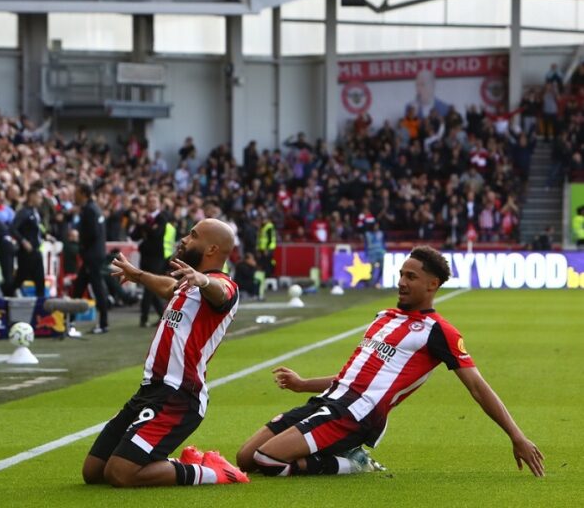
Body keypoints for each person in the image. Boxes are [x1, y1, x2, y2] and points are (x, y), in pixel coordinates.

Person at [235, 246, 544, 479]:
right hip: (327, 401)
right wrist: (304, 384)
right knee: (246, 458)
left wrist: (517, 436)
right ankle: (334, 452)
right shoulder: (384, 316)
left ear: (432, 284)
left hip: (355, 415)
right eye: (401, 275)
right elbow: (353, 376)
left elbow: (477, 387)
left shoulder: (439, 332)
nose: (402, 282)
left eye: (411, 277)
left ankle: (351, 463)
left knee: (268, 460)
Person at [81, 219, 247, 488]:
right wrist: (138, 275)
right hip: (149, 391)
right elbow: (166, 287)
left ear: (212, 249)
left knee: (120, 474)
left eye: (193, 235)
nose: (184, 239)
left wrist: (203, 279)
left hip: (180, 396)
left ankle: (210, 470)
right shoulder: (186, 283)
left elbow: (220, 293)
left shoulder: (223, 285)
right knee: (94, 471)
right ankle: (164, 461)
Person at [72, 183, 112, 334]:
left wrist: (82, 246)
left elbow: (93, 233)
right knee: (79, 287)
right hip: (95, 254)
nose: (74, 196)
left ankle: (103, 323)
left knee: (97, 288)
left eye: (76, 192)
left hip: (91, 256)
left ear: (83, 193)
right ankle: (69, 321)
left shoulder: (89, 210)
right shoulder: (95, 208)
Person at [129, 191, 170, 327]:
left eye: (154, 201)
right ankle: (163, 316)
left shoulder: (162, 218)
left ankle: (144, 317)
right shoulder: (145, 218)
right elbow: (134, 236)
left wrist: (144, 225)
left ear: (158, 203)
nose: (151, 203)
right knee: (150, 286)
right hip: (145, 256)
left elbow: (156, 234)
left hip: (157, 257)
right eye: (150, 201)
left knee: (149, 286)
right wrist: (140, 224)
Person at [11, 187, 48, 297]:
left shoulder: (35, 212)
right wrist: (23, 241)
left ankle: (40, 308)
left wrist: (45, 235)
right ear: (31, 196)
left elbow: (37, 229)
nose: (41, 200)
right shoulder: (24, 212)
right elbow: (13, 228)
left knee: (40, 280)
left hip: (36, 251)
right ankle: (8, 295)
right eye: (39, 197)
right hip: (26, 253)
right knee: (20, 278)